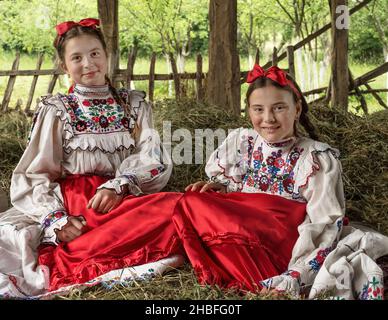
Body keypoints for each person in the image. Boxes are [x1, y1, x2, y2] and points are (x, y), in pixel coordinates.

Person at [0, 18, 185, 298]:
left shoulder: (134, 104)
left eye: (95, 54)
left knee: (178, 210)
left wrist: (120, 183)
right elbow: (34, 173)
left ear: (107, 56)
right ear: (64, 66)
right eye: (77, 57)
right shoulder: (58, 110)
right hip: (77, 204)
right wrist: (56, 220)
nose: (88, 64)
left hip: (122, 197)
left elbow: (152, 155)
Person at [178, 63, 350, 295]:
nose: (268, 118)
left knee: (193, 208)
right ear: (248, 110)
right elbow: (240, 192)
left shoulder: (316, 157)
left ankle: (254, 275)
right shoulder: (243, 142)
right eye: (258, 109)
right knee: (186, 200)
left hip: (279, 238)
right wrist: (222, 189)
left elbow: (325, 223)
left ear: (297, 109)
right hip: (244, 222)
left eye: (279, 108)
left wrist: (297, 273)